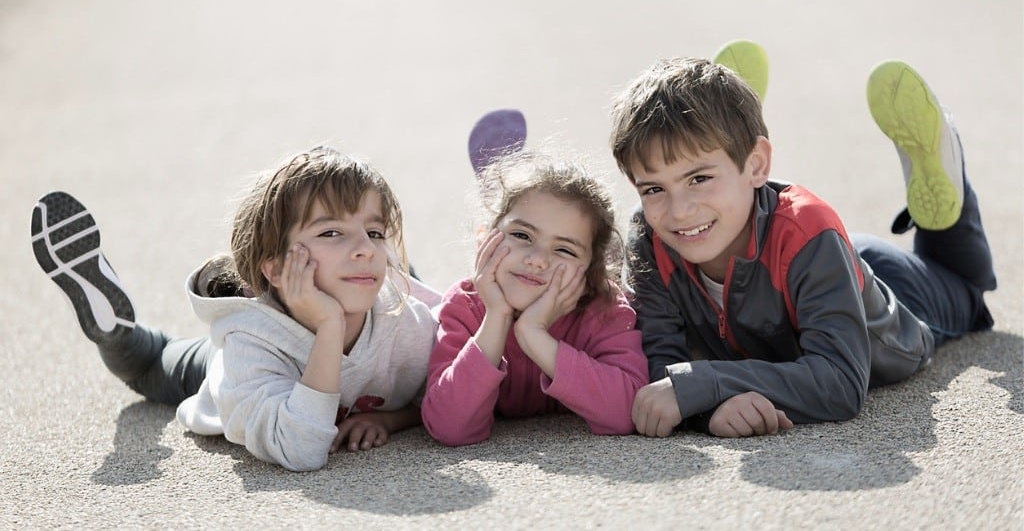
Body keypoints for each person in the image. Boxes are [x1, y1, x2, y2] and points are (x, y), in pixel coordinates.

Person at [610, 57, 995, 438]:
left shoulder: (809, 231)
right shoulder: (650, 236)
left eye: (699, 178)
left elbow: (840, 381)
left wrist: (712, 382)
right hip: (819, 266)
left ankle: (945, 178)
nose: (678, 211)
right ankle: (726, 141)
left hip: (886, 304)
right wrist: (710, 410)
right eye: (654, 188)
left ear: (759, 164)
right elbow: (661, 374)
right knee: (763, 228)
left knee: (966, 290)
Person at [31, 146, 438, 471]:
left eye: (374, 232)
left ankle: (399, 263)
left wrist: (391, 419)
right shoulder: (248, 348)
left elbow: (444, 395)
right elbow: (300, 450)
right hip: (229, 360)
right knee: (148, 364)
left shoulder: (405, 322)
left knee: (404, 282)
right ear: (277, 267)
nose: (365, 248)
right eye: (331, 232)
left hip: (323, 312)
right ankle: (114, 330)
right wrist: (329, 326)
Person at [421, 149, 649, 446]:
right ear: (485, 238)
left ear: (592, 270)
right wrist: (497, 317)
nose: (538, 260)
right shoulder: (465, 305)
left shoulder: (604, 310)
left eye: (564, 250)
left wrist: (534, 334)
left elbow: (627, 411)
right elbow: (449, 426)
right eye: (522, 236)